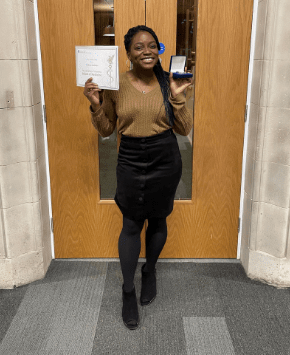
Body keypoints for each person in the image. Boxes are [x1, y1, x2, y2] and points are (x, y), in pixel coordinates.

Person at [83, 26, 193, 330]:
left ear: (159, 49)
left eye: (151, 46)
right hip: (130, 158)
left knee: (158, 220)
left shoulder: (170, 81)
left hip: (165, 158)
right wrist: (95, 104)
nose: (146, 51)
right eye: (138, 47)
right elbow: (107, 129)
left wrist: (178, 96)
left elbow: (184, 129)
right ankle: (128, 291)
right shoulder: (114, 84)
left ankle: (150, 271)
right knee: (131, 223)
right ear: (129, 53)